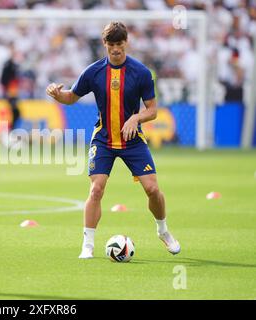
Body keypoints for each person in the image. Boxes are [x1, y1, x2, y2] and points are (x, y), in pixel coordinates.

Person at [46, 21, 180, 259]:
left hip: (133, 140)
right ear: (104, 44)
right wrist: (57, 95)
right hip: (104, 140)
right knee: (96, 189)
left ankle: (163, 230)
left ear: (126, 43)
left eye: (120, 44)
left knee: (153, 189)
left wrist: (135, 118)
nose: (116, 49)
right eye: (111, 44)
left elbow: (153, 110)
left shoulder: (141, 73)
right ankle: (88, 244)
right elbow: (71, 98)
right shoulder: (93, 72)